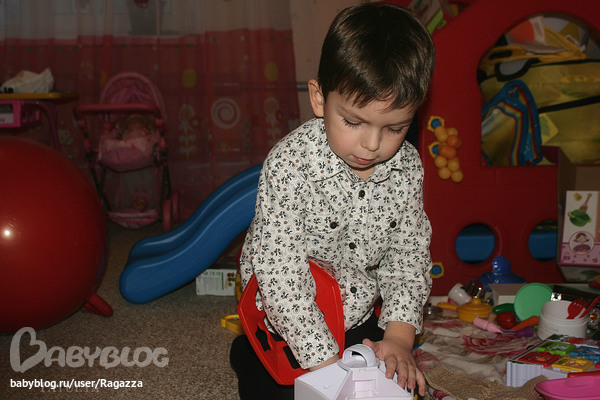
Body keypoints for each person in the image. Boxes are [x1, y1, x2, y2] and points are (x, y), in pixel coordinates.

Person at [230, 3, 435, 399]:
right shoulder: (289, 165)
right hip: (286, 316)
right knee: (282, 392)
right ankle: (247, 352)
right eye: (354, 122)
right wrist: (324, 366)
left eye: (395, 128)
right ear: (320, 99)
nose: (372, 144)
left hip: (355, 311)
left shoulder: (407, 168)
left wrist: (399, 337)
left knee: (395, 385)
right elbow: (281, 276)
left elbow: (408, 254)